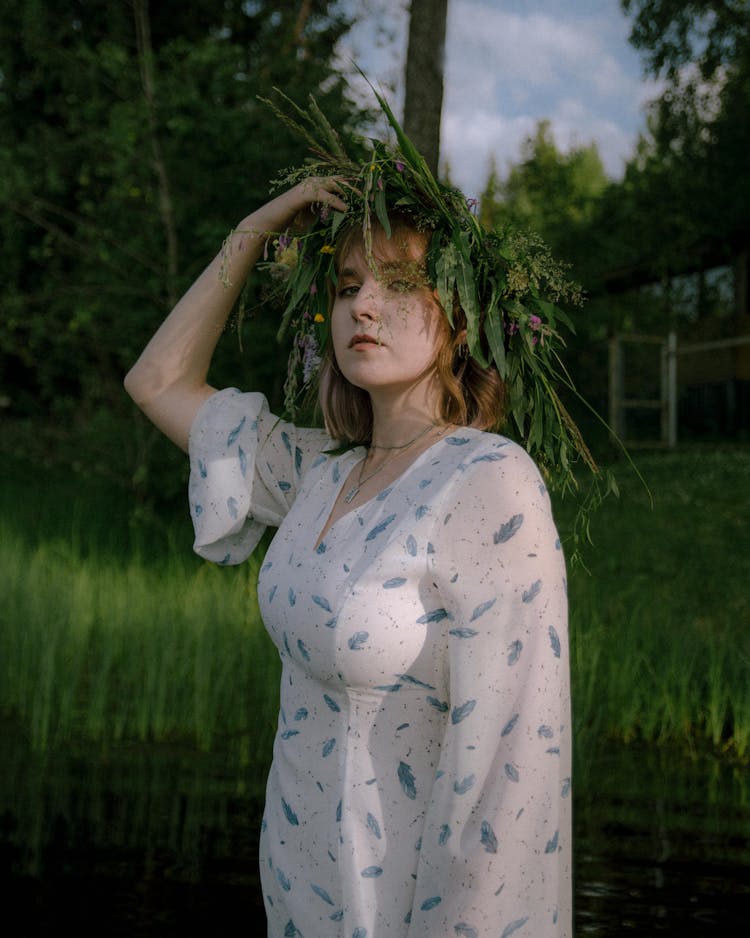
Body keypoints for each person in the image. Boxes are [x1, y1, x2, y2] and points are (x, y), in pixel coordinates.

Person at [125, 96, 576, 938]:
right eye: (346, 286)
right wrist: (260, 228)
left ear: (462, 316)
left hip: (407, 914)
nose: (364, 306)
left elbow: (507, 783)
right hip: (300, 903)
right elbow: (156, 382)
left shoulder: (488, 483)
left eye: (401, 283)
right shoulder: (313, 474)